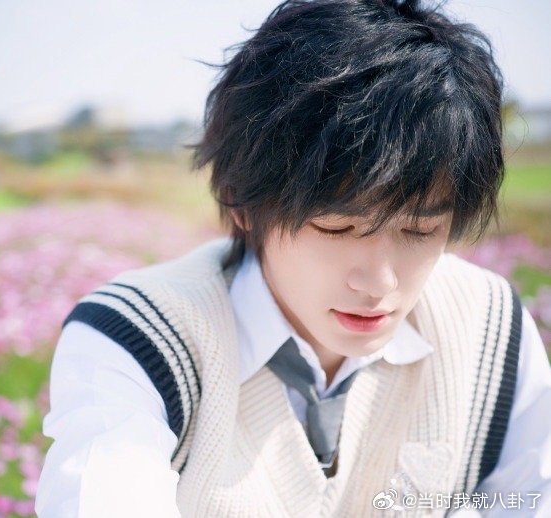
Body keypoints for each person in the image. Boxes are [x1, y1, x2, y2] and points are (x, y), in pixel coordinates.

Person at [35, 0, 551, 516]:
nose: (380, 282)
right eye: (336, 227)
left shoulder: (489, 327)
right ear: (241, 203)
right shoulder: (138, 339)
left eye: (420, 230)